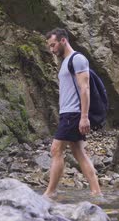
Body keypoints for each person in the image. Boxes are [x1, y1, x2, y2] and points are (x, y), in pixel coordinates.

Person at [43, 28, 102, 198]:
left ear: (63, 41)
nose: (51, 49)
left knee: (56, 150)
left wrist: (84, 117)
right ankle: (96, 192)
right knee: (79, 153)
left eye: (53, 45)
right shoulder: (66, 62)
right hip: (67, 113)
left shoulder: (78, 59)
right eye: (49, 46)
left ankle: (50, 193)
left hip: (73, 113)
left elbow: (85, 88)